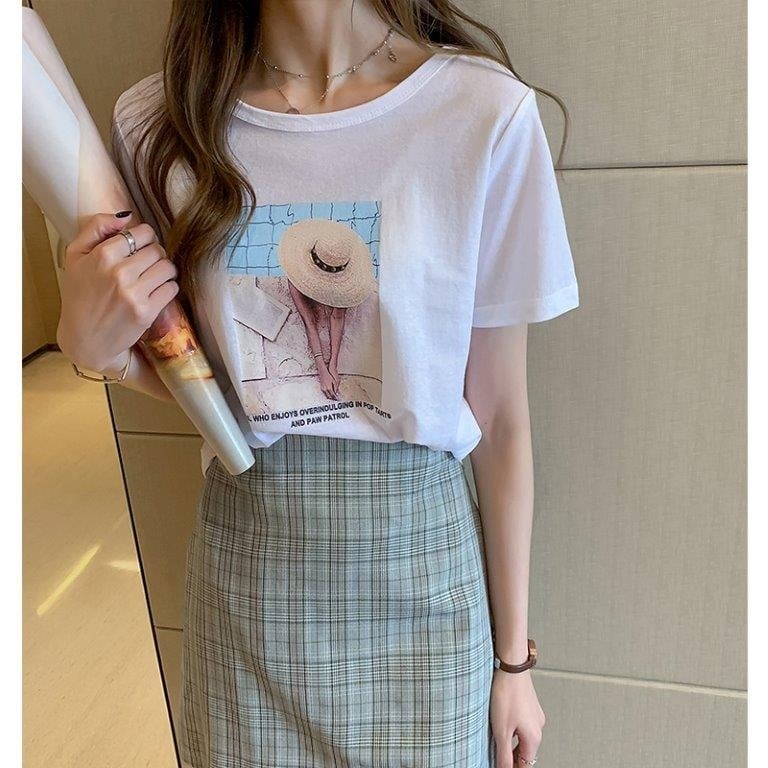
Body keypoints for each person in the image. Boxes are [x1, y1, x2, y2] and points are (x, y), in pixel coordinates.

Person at [56, 1, 580, 766]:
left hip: (425, 590)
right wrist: (94, 350)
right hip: (249, 581)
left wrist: (513, 665)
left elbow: (499, 420)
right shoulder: (159, 123)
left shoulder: (482, 113)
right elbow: (201, 379)